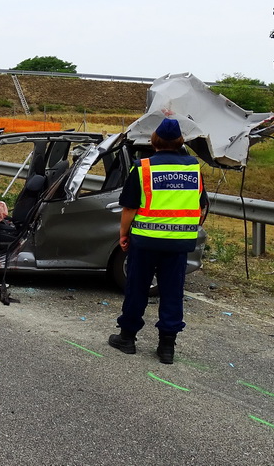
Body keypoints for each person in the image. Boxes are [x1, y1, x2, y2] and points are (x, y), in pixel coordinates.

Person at [108, 118, 207, 364]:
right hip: (179, 244)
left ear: (154, 141)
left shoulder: (142, 168)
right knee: (172, 292)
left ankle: (127, 338)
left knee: (137, 289)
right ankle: (166, 348)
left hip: (145, 242)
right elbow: (202, 207)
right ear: (180, 142)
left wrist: (123, 234)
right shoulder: (193, 168)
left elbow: (129, 208)